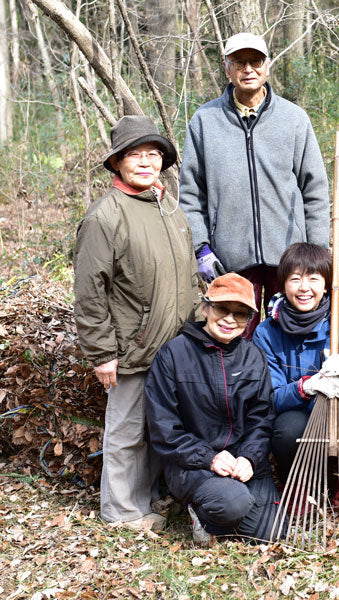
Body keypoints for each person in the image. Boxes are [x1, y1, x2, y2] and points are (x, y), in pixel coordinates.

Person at [73, 115, 198, 531]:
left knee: (161, 429)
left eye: (154, 154)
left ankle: (150, 499)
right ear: (117, 163)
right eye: (136, 154)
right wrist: (103, 353)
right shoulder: (104, 217)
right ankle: (122, 512)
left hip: (175, 347)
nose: (146, 162)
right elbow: (90, 292)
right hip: (131, 347)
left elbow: (186, 276)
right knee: (127, 432)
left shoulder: (169, 208)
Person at [179, 31, 330, 338]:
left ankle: (292, 388)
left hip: (289, 258)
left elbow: (314, 190)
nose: (248, 69)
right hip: (230, 260)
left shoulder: (294, 119)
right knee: (235, 340)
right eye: (239, 62)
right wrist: (201, 249)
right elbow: (191, 193)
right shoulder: (204, 121)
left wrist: (316, 252)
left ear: (267, 65)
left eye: (255, 61)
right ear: (227, 68)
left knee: (291, 335)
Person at [145, 273, 282, 543]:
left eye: (240, 314)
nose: (230, 319)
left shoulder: (253, 356)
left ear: (249, 319)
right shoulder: (174, 354)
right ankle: (203, 512)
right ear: (206, 307)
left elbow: (262, 419)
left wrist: (249, 458)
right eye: (222, 309)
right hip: (192, 465)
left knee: (274, 533)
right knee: (234, 504)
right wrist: (209, 458)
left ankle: (225, 516)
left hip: (240, 461)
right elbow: (163, 428)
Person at [252, 243, 339, 500]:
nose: (304, 288)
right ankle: (300, 485)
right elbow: (270, 397)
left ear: (327, 284)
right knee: (286, 431)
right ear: (283, 285)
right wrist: (305, 387)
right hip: (297, 415)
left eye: (313, 279)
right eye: (295, 279)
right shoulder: (267, 332)